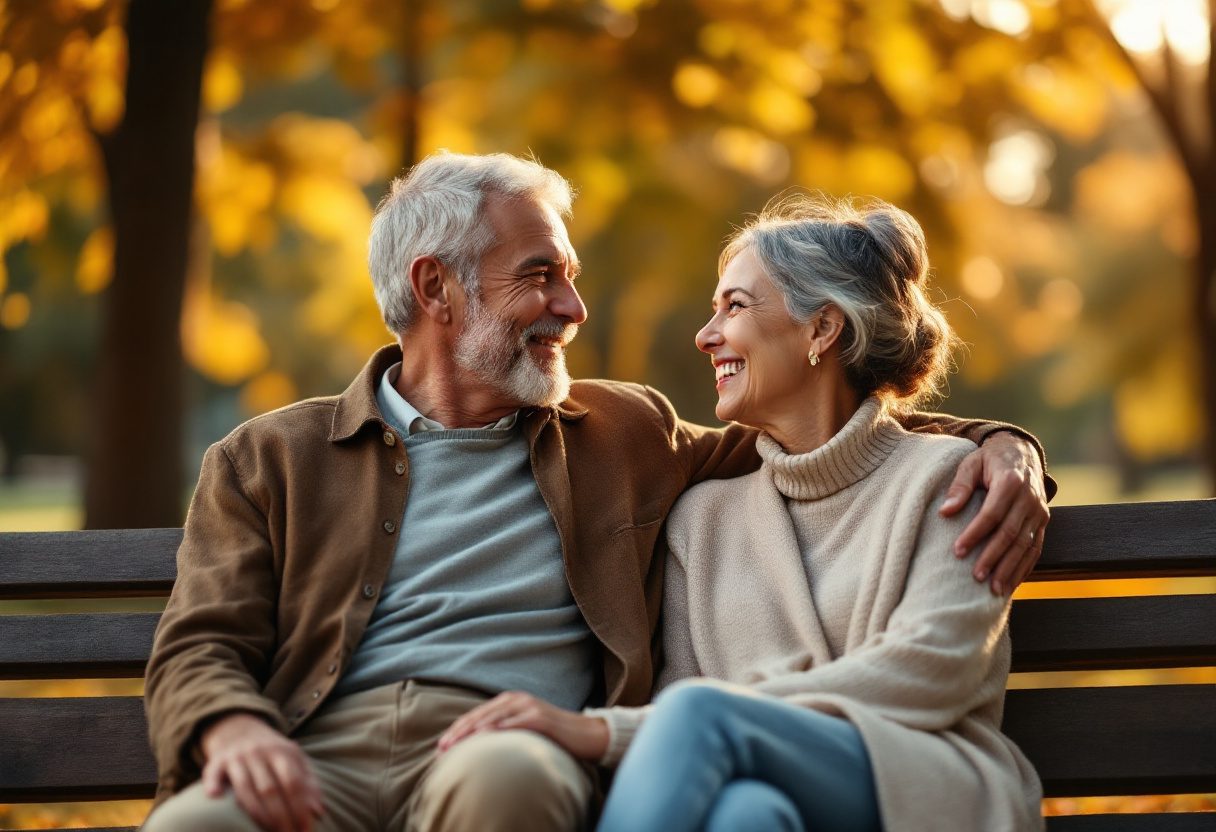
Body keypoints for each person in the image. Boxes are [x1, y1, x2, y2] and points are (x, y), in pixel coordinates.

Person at [141, 153, 1050, 832]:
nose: (574, 309)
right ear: (435, 287)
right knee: (195, 826)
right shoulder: (267, 459)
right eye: (541, 276)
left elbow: (834, 428)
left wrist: (1003, 448)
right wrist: (232, 730)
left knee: (509, 783)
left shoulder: (622, 433)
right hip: (311, 752)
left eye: (570, 277)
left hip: (505, 747)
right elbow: (198, 643)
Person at [440, 194, 1044, 831]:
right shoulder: (702, 521)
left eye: (734, 306)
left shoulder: (951, 480)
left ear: (822, 329)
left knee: (700, 717)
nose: (706, 337)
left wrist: (607, 732)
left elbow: (932, 671)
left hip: (916, 785)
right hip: (760, 786)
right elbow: (680, 702)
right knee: (745, 815)